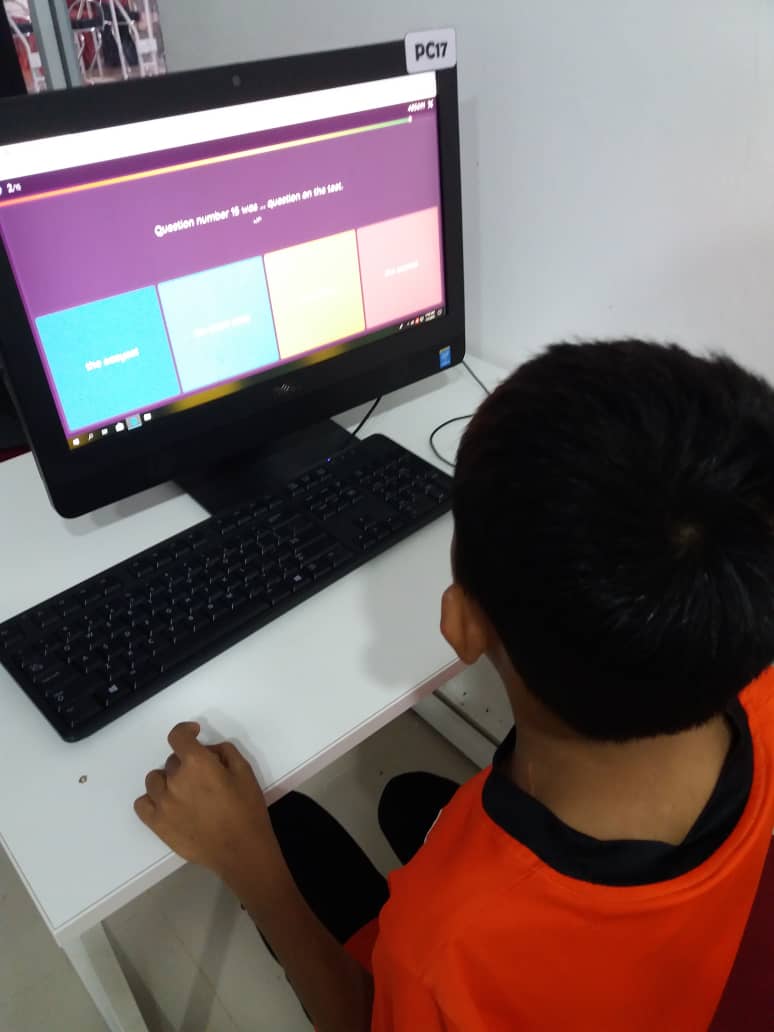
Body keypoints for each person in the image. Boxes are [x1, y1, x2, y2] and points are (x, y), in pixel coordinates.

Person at [134, 340, 774, 1031]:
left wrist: (246, 863)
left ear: (461, 624)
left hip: (462, 967)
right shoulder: (753, 674)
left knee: (289, 834)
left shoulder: (446, 947)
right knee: (410, 802)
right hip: (685, 945)